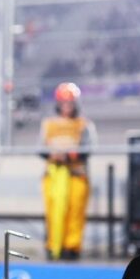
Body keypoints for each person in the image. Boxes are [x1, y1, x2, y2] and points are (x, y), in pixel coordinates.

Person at [41, 82, 96, 260]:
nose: (67, 106)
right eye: (64, 102)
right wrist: (54, 155)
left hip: (77, 175)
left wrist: (70, 156)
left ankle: (71, 248)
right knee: (54, 212)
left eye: (70, 102)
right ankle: (53, 246)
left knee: (75, 212)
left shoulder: (83, 124)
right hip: (54, 176)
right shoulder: (49, 124)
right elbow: (41, 148)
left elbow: (88, 149)